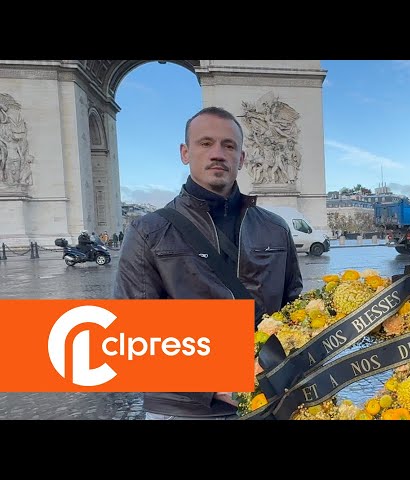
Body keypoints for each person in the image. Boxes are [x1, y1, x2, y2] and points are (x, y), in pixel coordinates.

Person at [113, 106, 303, 420]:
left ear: (242, 159)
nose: (218, 153)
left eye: (228, 145)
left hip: (266, 400)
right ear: (185, 153)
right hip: (183, 407)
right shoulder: (147, 232)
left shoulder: (276, 228)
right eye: (205, 143)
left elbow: (294, 310)